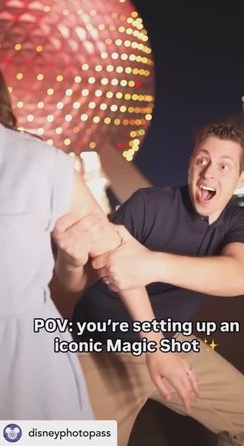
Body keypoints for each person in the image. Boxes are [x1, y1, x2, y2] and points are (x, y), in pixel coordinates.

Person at [58, 124, 244, 445]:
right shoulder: (147, 205)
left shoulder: (236, 221)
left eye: (224, 166)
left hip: (173, 344)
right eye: (202, 160)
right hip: (103, 346)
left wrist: (150, 264)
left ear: (241, 180)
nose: (208, 173)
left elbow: (237, 277)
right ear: (190, 164)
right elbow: (83, 278)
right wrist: (72, 260)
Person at [0, 71, 122, 419]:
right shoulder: (42, 159)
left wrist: (155, 345)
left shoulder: (40, 160)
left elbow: (108, 252)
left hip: (29, 356)